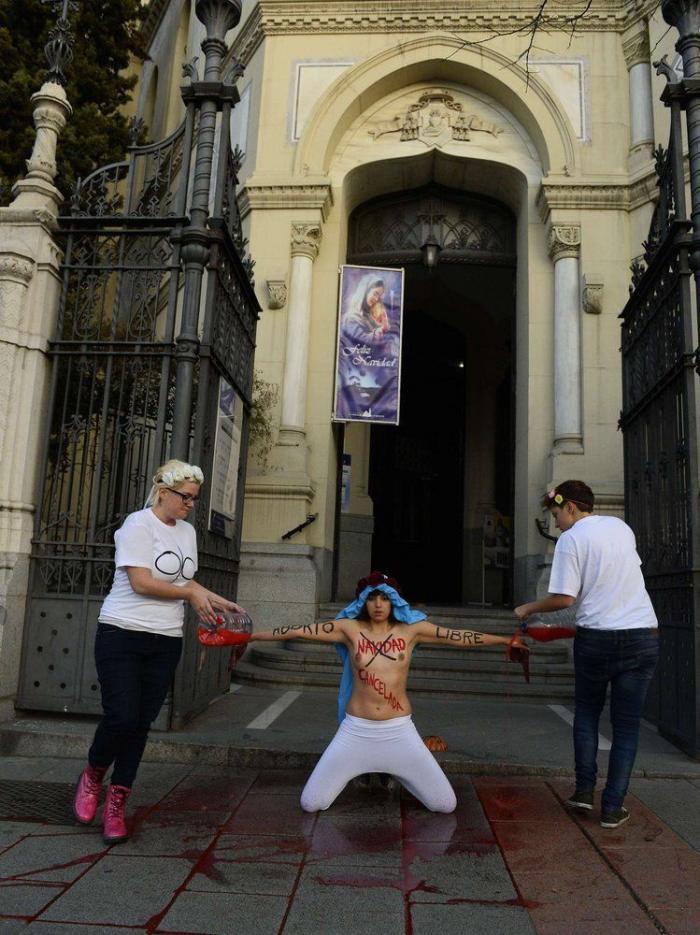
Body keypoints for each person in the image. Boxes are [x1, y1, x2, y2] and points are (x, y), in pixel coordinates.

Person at [250, 577, 528, 812]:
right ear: (363, 602)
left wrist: (505, 641)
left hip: (399, 731)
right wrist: (247, 637)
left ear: (395, 600)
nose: (379, 604)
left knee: (445, 804)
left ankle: (399, 770)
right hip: (355, 731)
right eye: (373, 598)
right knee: (311, 803)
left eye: (385, 598)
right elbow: (298, 631)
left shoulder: (412, 630)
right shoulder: (350, 629)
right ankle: (381, 770)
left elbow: (458, 636)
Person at [72, 459, 241, 844]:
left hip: (165, 638)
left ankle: (117, 803)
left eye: (194, 499)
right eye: (184, 497)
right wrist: (191, 594)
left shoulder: (186, 531)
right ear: (162, 492)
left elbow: (187, 579)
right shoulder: (137, 525)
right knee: (122, 716)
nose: (190, 504)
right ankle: (94, 774)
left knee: (142, 722)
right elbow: (142, 583)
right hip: (122, 632)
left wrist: (219, 601)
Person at [514, 480, 659, 829]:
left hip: (597, 639)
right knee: (626, 727)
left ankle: (583, 791)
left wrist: (527, 608)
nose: (556, 523)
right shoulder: (622, 528)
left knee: (588, 714)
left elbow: (565, 598)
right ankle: (612, 807)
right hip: (642, 634)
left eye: (556, 515)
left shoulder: (571, 539)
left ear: (572, 507)